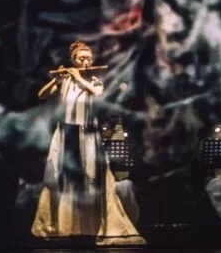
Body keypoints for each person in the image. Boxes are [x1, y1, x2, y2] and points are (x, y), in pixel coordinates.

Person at [31, 40, 144, 245]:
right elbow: (42, 95)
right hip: (66, 134)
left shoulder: (94, 80)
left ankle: (95, 226)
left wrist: (77, 77)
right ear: (73, 60)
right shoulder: (65, 80)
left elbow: (98, 93)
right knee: (63, 181)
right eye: (82, 58)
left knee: (93, 180)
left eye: (89, 58)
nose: (86, 62)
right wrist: (56, 79)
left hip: (88, 134)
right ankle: (63, 227)